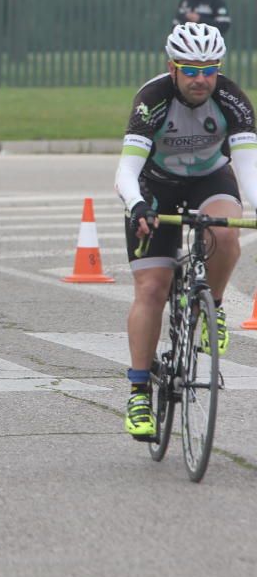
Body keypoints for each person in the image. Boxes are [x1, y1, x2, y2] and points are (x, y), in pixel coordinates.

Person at [115, 22, 257, 440]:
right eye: (190, 70)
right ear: (172, 67)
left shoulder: (232, 101)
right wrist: (136, 204)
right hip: (154, 187)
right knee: (153, 288)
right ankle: (139, 391)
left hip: (209, 179)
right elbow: (126, 170)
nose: (201, 79)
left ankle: (212, 308)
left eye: (209, 69)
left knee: (226, 234)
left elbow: (247, 171)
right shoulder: (152, 101)